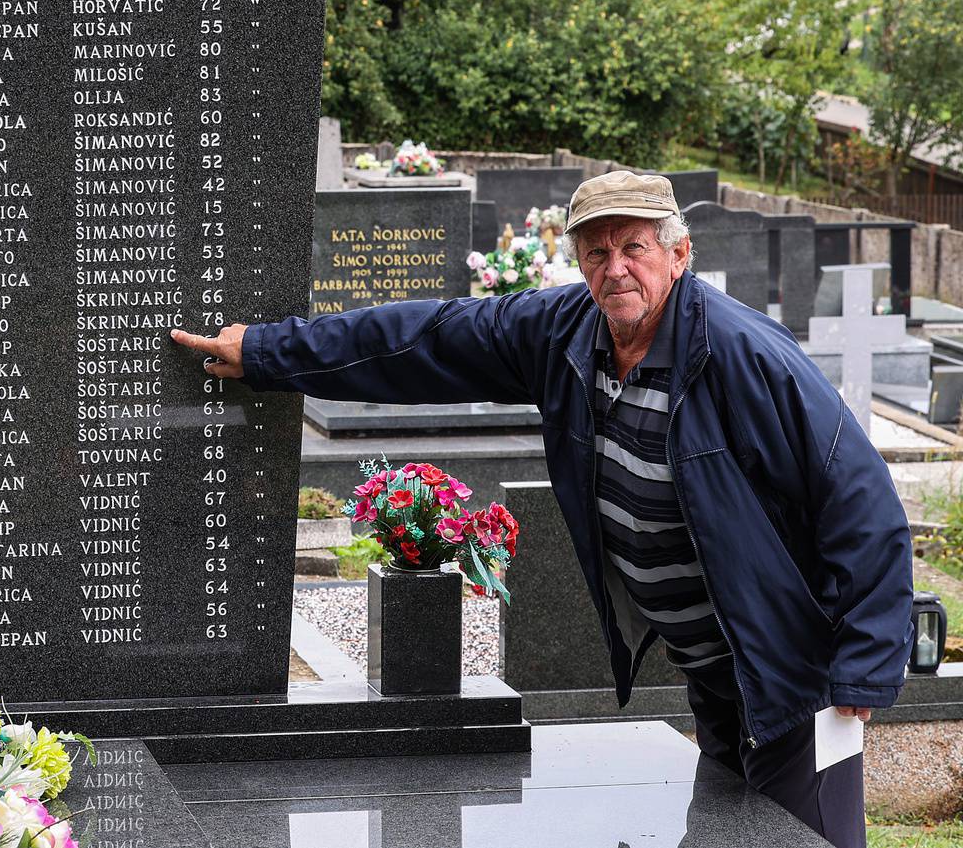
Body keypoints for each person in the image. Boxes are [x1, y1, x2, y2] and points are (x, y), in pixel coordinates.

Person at [172, 170, 911, 848]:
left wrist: (863, 671)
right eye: (595, 251)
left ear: (678, 254)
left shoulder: (744, 356)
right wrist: (269, 353)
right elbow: (421, 339)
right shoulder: (564, 332)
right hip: (718, 678)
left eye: (634, 247)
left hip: (796, 682)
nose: (614, 267)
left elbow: (861, 499)